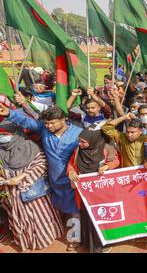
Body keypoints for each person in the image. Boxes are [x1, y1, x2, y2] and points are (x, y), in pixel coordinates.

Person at [0, 104, 83, 250]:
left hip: (72, 180)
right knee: (59, 207)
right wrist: (9, 114)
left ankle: (75, 238)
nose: (49, 126)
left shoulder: (79, 133)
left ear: (64, 119)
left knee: (74, 211)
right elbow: (28, 122)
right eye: (46, 123)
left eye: (52, 122)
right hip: (52, 179)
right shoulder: (44, 129)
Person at [0, 122, 64, 252]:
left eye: (4, 134)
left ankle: (44, 239)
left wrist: (22, 177)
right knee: (20, 219)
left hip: (34, 192)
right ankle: (27, 242)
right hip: (13, 194)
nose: (2, 137)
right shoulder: (1, 152)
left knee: (41, 218)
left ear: (14, 134)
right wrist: (4, 179)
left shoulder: (30, 146)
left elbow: (42, 164)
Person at [67, 130, 120, 253]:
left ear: (93, 140)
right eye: (79, 141)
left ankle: (104, 244)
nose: (80, 144)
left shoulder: (107, 149)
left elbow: (116, 160)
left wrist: (107, 166)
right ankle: (89, 243)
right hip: (85, 193)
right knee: (88, 218)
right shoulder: (78, 150)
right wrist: (71, 171)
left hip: (102, 193)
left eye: (83, 142)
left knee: (102, 217)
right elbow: (71, 163)